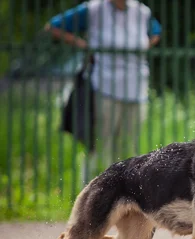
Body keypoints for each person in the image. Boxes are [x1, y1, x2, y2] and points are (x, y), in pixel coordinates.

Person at [46, 0, 162, 181]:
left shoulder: (142, 12)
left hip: (136, 88)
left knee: (129, 150)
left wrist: (141, 48)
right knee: (99, 147)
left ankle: (124, 198)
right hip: (104, 87)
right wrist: (84, 45)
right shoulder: (94, 9)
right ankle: (89, 195)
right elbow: (54, 26)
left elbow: (156, 32)